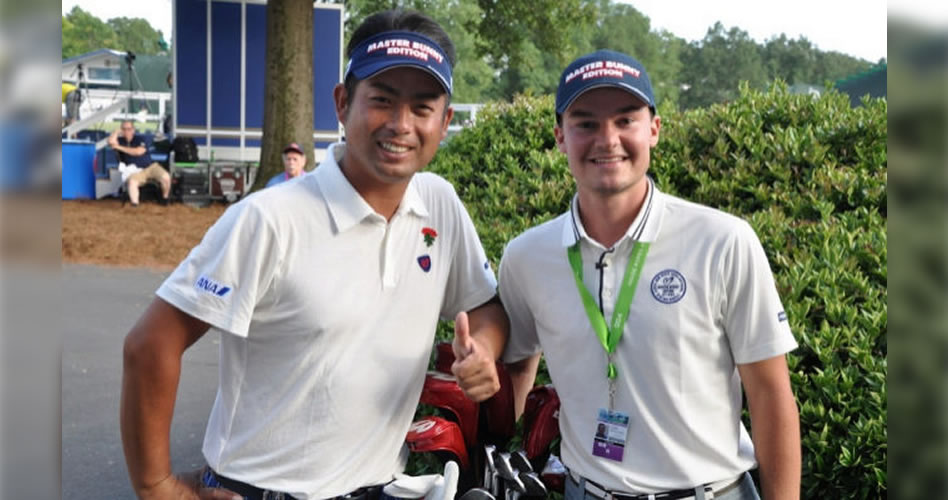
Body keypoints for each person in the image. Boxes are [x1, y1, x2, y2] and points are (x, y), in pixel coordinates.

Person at [120, 9, 508, 500]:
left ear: (445, 122)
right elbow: (150, 345)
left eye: (422, 108)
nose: (401, 125)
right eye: (382, 100)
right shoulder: (270, 219)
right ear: (342, 103)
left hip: (377, 487)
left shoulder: (439, 205)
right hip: (261, 490)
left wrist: (484, 349)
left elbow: (484, 306)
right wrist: (157, 486)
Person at [500, 50, 801, 500]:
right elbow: (518, 364)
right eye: (586, 123)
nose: (608, 139)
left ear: (654, 129)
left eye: (626, 120)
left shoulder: (722, 241)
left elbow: (770, 394)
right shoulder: (527, 256)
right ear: (560, 136)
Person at [109, 120, 171, 206]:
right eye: (124, 129)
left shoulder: (140, 139)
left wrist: (119, 147)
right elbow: (111, 142)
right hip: (135, 170)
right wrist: (116, 132)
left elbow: (138, 152)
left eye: (129, 129)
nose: (127, 131)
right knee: (132, 182)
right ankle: (135, 206)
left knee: (166, 177)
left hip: (150, 167)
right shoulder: (120, 140)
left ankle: (165, 199)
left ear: (133, 130)